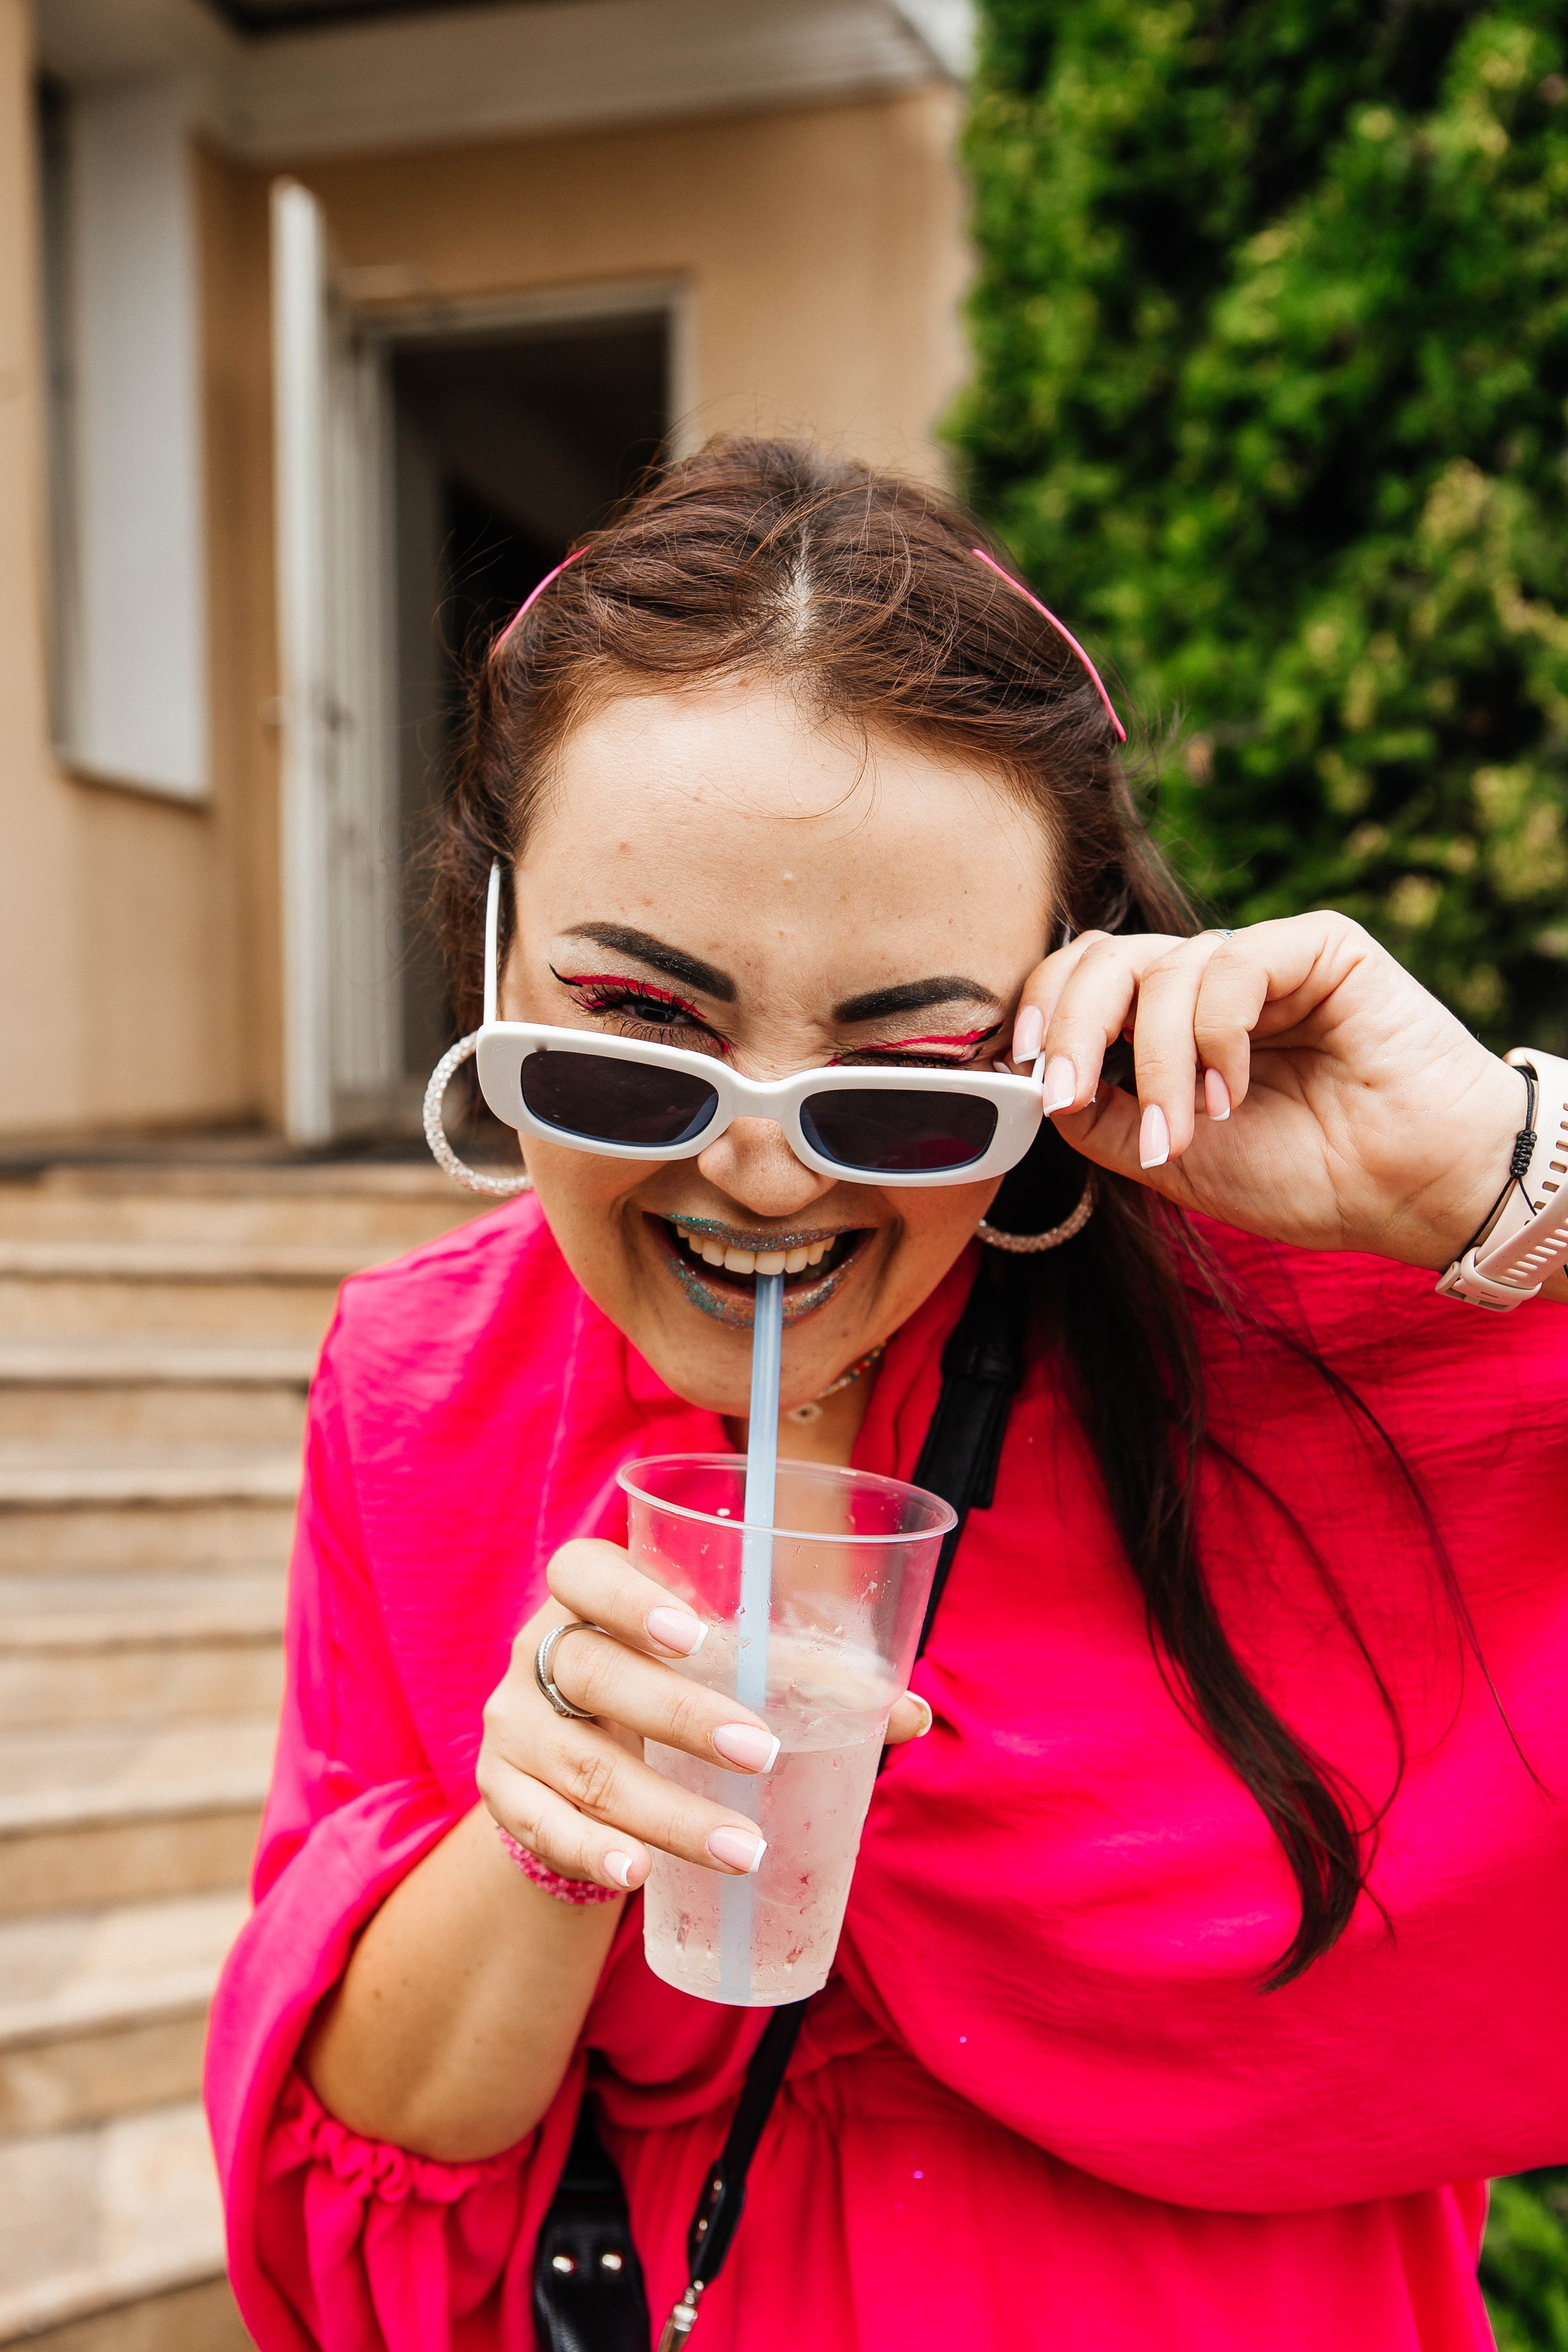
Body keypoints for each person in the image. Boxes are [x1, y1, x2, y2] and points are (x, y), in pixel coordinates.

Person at [206, 440, 1568, 2352]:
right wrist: (540, 1823)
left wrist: (1509, 1171)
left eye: (908, 1075)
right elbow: (357, 2162)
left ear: (1062, 1011)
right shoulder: (422, 1388)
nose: (766, 1177)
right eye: (634, 1045)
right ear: (497, 951)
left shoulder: (1332, 1326)